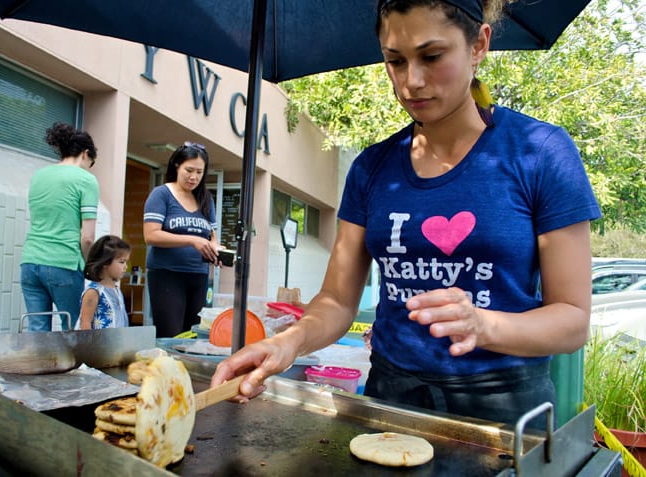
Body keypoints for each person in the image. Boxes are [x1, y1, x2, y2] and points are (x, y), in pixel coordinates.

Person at [211, 0, 602, 428]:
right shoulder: (373, 168)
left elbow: (571, 319)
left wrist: (483, 325)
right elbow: (338, 301)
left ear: (479, 45)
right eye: (395, 61)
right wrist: (288, 343)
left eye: (431, 57)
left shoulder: (539, 152)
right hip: (392, 397)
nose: (411, 82)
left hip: (503, 404)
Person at [21, 122, 99, 332]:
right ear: (85, 154)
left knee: (37, 331)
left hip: (30, 262)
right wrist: (87, 265)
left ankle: (39, 365)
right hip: (64, 262)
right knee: (72, 329)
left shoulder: (39, 176)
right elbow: (88, 237)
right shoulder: (86, 179)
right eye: (90, 162)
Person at [143, 142, 222, 338]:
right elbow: (150, 235)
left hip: (198, 275)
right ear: (176, 165)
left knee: (194, 334)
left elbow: (212, 237)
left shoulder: (205, 199)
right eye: (189, 170)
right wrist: (192, 240)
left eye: (199, 172)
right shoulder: (161, 194)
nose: (193, 177)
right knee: (170, 335)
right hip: (167, 274)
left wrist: (217, 251)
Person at [77, 235, 131, 330]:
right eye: (122, 262)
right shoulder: (94, 292)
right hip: (98, 344)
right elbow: (85, 323)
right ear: (105, 262)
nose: (125, 267)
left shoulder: (117, 290)